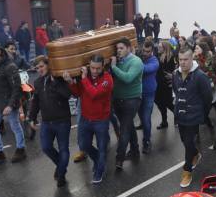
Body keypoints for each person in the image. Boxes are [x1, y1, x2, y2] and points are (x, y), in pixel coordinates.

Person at [66, 55, 113, 184]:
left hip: (101, 120)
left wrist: (84, 79)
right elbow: (78, 93)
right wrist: (70, 82)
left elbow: (94, 93)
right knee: (83, 145)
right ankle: (98, 159)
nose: (94, 71)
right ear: (89, 66)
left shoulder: (107, 79)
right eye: (92, 68)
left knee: (102, 147)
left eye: (98, 68)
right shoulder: (85, 77)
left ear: (103, 67)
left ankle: (99, 172)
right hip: (86, 119)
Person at [28, 56, 72, 187]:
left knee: (63, 149)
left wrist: (56, 83)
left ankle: (61, 175)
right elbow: (35, 101)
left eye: (41, 66)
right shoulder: (37, 82)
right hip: (47, 122)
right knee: (46, 147)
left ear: (48, 65)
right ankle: (61, 167)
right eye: (37, 68)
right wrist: (32, 117)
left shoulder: (59, 78)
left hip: (62, 121)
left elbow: (67, 95)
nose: (39, 70)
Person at [172, 47, 212, 188]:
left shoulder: (200, 76)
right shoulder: (175, 74)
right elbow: (177, 92)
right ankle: (196, 154)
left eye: (185, 59)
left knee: (189, 142)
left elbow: (208, 98)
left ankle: (187, 170)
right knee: (185, 141)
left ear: (191, 59)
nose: (182, 63)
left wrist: (202, 114)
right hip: (180, 115)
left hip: (193, 116)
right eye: (180, 59)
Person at [0, 42, 26, 166]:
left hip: (9, 103)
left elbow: (17, 88)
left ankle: (21, 149)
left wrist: (10, 105)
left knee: (15, 125)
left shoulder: (9, 66)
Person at [110, 38, 143, 169]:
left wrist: (113, 67)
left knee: (123, 129)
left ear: (129, 48)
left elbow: (128, 78)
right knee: (128, 126)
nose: (118, 51)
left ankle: (119, 158)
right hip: (118, 99)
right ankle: (135, 151)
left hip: (132, 99)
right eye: (117, 48)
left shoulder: (136, 61)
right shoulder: (118, 61)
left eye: (121, 48)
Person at [138, 42, 159, 153]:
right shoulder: (139, 58)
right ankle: (145, 131)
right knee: (142, 117)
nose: (145, 53)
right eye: (144, 51)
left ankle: (147, 141)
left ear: (152, 51)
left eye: (148, 51)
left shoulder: (155, 61)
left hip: (149, 93)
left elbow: (145, 69)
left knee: (146, 118)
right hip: (138, 93)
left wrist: (134, 61)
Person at [154, 40, 176, 129]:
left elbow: (170, 71)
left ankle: (179, 117)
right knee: (159, 103)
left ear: (165, 48)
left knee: (168, 103)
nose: (158, 48)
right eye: (158, 46)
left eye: (160, 47)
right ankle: (164, 121)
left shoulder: (170, 58)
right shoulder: (158, 56)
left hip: (165, 84)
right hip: (158, 84)